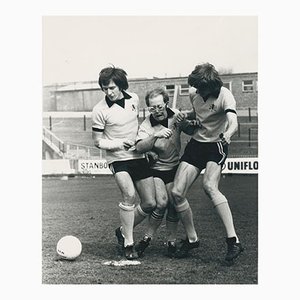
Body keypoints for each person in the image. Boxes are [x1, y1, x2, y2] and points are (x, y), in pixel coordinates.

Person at [172, 63, 244, 261]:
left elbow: (233, 121)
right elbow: (198, 117)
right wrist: (185, 119)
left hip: (217, 144)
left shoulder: (224, 95)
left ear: (212, 85)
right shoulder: (194, 95)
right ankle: (192, 239)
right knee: (177, 192)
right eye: (196, 86)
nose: (198, 91)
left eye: (201, 87)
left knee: (209, 186)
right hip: (197, 145)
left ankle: (233, 241)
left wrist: (228, 134)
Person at [91, 66, 156, 260]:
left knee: (150, 203)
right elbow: (97, 141)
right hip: (117, 159)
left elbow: (139, 126)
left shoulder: (134, 99)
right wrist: (119, 143)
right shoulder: (99, 110)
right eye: (104, 88)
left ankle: (122, 231)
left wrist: (147, 146)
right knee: (129, 195)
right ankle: (128, 243)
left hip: (137, 156)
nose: (108, 92)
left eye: (112, 87)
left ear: (121, 85)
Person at [134, 87, 200, 258]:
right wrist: (156, 135)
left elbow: (190, 131)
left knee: (173, 204)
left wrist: (188, 122)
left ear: (166, 103)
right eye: (152, 108)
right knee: (161, 202)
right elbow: (139, 147)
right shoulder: (146, 125)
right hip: (155, 170)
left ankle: (171, 242)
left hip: (174, 168)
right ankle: (146, 238)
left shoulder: (175, 115)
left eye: (159, 106)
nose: (156, 111)